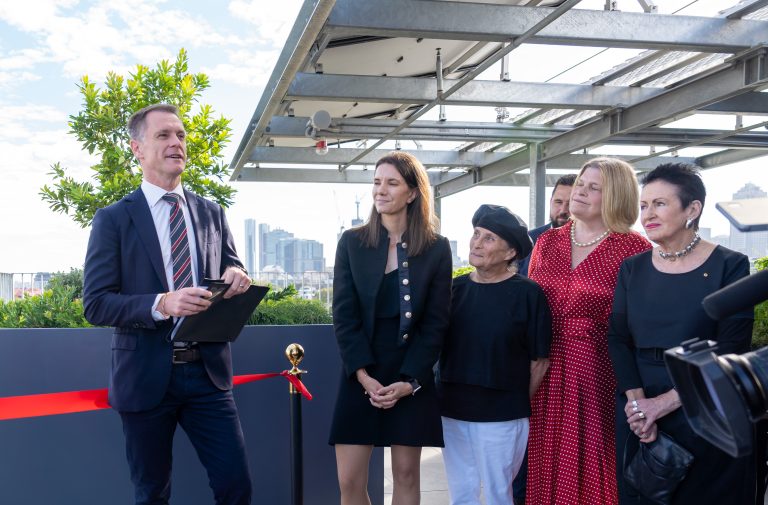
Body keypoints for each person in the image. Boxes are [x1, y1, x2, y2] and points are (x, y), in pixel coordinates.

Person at [83, 103, 252, 505]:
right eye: (163, 135)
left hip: (208, 374)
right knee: (152, 493)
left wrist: (238, 275)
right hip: (144, 377)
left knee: (236, 486)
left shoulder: (211, 212)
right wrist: (163, 302)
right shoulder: (113, 219)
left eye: (180, 135)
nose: (176, 142)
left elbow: (230, 265)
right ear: (137, 149)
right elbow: (96, 304)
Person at [608, 163, 755, 504]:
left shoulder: (730, 265)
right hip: (637, 406)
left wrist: (663, 404)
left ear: (692, 209)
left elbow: (732, 347)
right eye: (643, 205)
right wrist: (639, 406)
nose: (647, 214)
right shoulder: (633, 267)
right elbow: (618, 337)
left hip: (705, 406)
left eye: (659, 204)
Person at [329, 151, 452, 505]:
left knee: (407, 475)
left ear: (412, 192)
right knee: (349, 480)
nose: (380, 190)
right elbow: (344, 314)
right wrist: (364, 376)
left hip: (409, 372)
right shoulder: (351, 242)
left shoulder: (437, 248)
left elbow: (435, 323)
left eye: (392, 183)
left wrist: (410, 381)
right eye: (377, 182)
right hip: (360, 370)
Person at [526, 157, 651, 505]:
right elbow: (531, 309)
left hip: (599, 371)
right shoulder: (547, 243)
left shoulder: (633, 248)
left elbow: (635, 322)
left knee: (595, 462)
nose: (580, 191)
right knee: (543, 457)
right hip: (545, 368)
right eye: (581, 183)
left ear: (615, 196)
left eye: (593, 187)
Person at [438, 204, 552, 505]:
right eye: (476, 234)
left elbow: (539, 361)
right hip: (452, 409)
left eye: (489, 238)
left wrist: (512, 402)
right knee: (461, 493)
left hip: (502, 415)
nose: (477, 242)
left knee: (499, 494)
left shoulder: (529, 294)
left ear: (510, 252)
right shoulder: (453, 290)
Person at [518, 174, 576, 277]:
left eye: (570, 204)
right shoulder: (528, 240)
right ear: (550, 202)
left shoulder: (594, 245)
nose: (563, 210)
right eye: (558, 202)